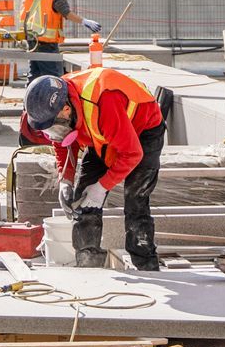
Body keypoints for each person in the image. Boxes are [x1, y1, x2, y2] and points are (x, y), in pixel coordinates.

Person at [19, 67, 164, 271]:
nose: (52, 133)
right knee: (83, 199)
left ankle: (146, 263)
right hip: (102, 134)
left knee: (136, 199)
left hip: (143, 130)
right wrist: (66, 180)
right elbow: (63, 143)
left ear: (66, 110)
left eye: (53, 126)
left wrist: (102, 187)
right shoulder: (58, 97)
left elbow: (132, 154)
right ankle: (88, 260)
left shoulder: (104, 102)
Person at [17, 0, 101, 81]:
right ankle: (53, 100)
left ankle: (31, 99)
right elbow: (66, 12)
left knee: (35, 73)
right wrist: (85, 21)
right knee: (53, 76)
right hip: (46, 40)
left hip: (31, 37)